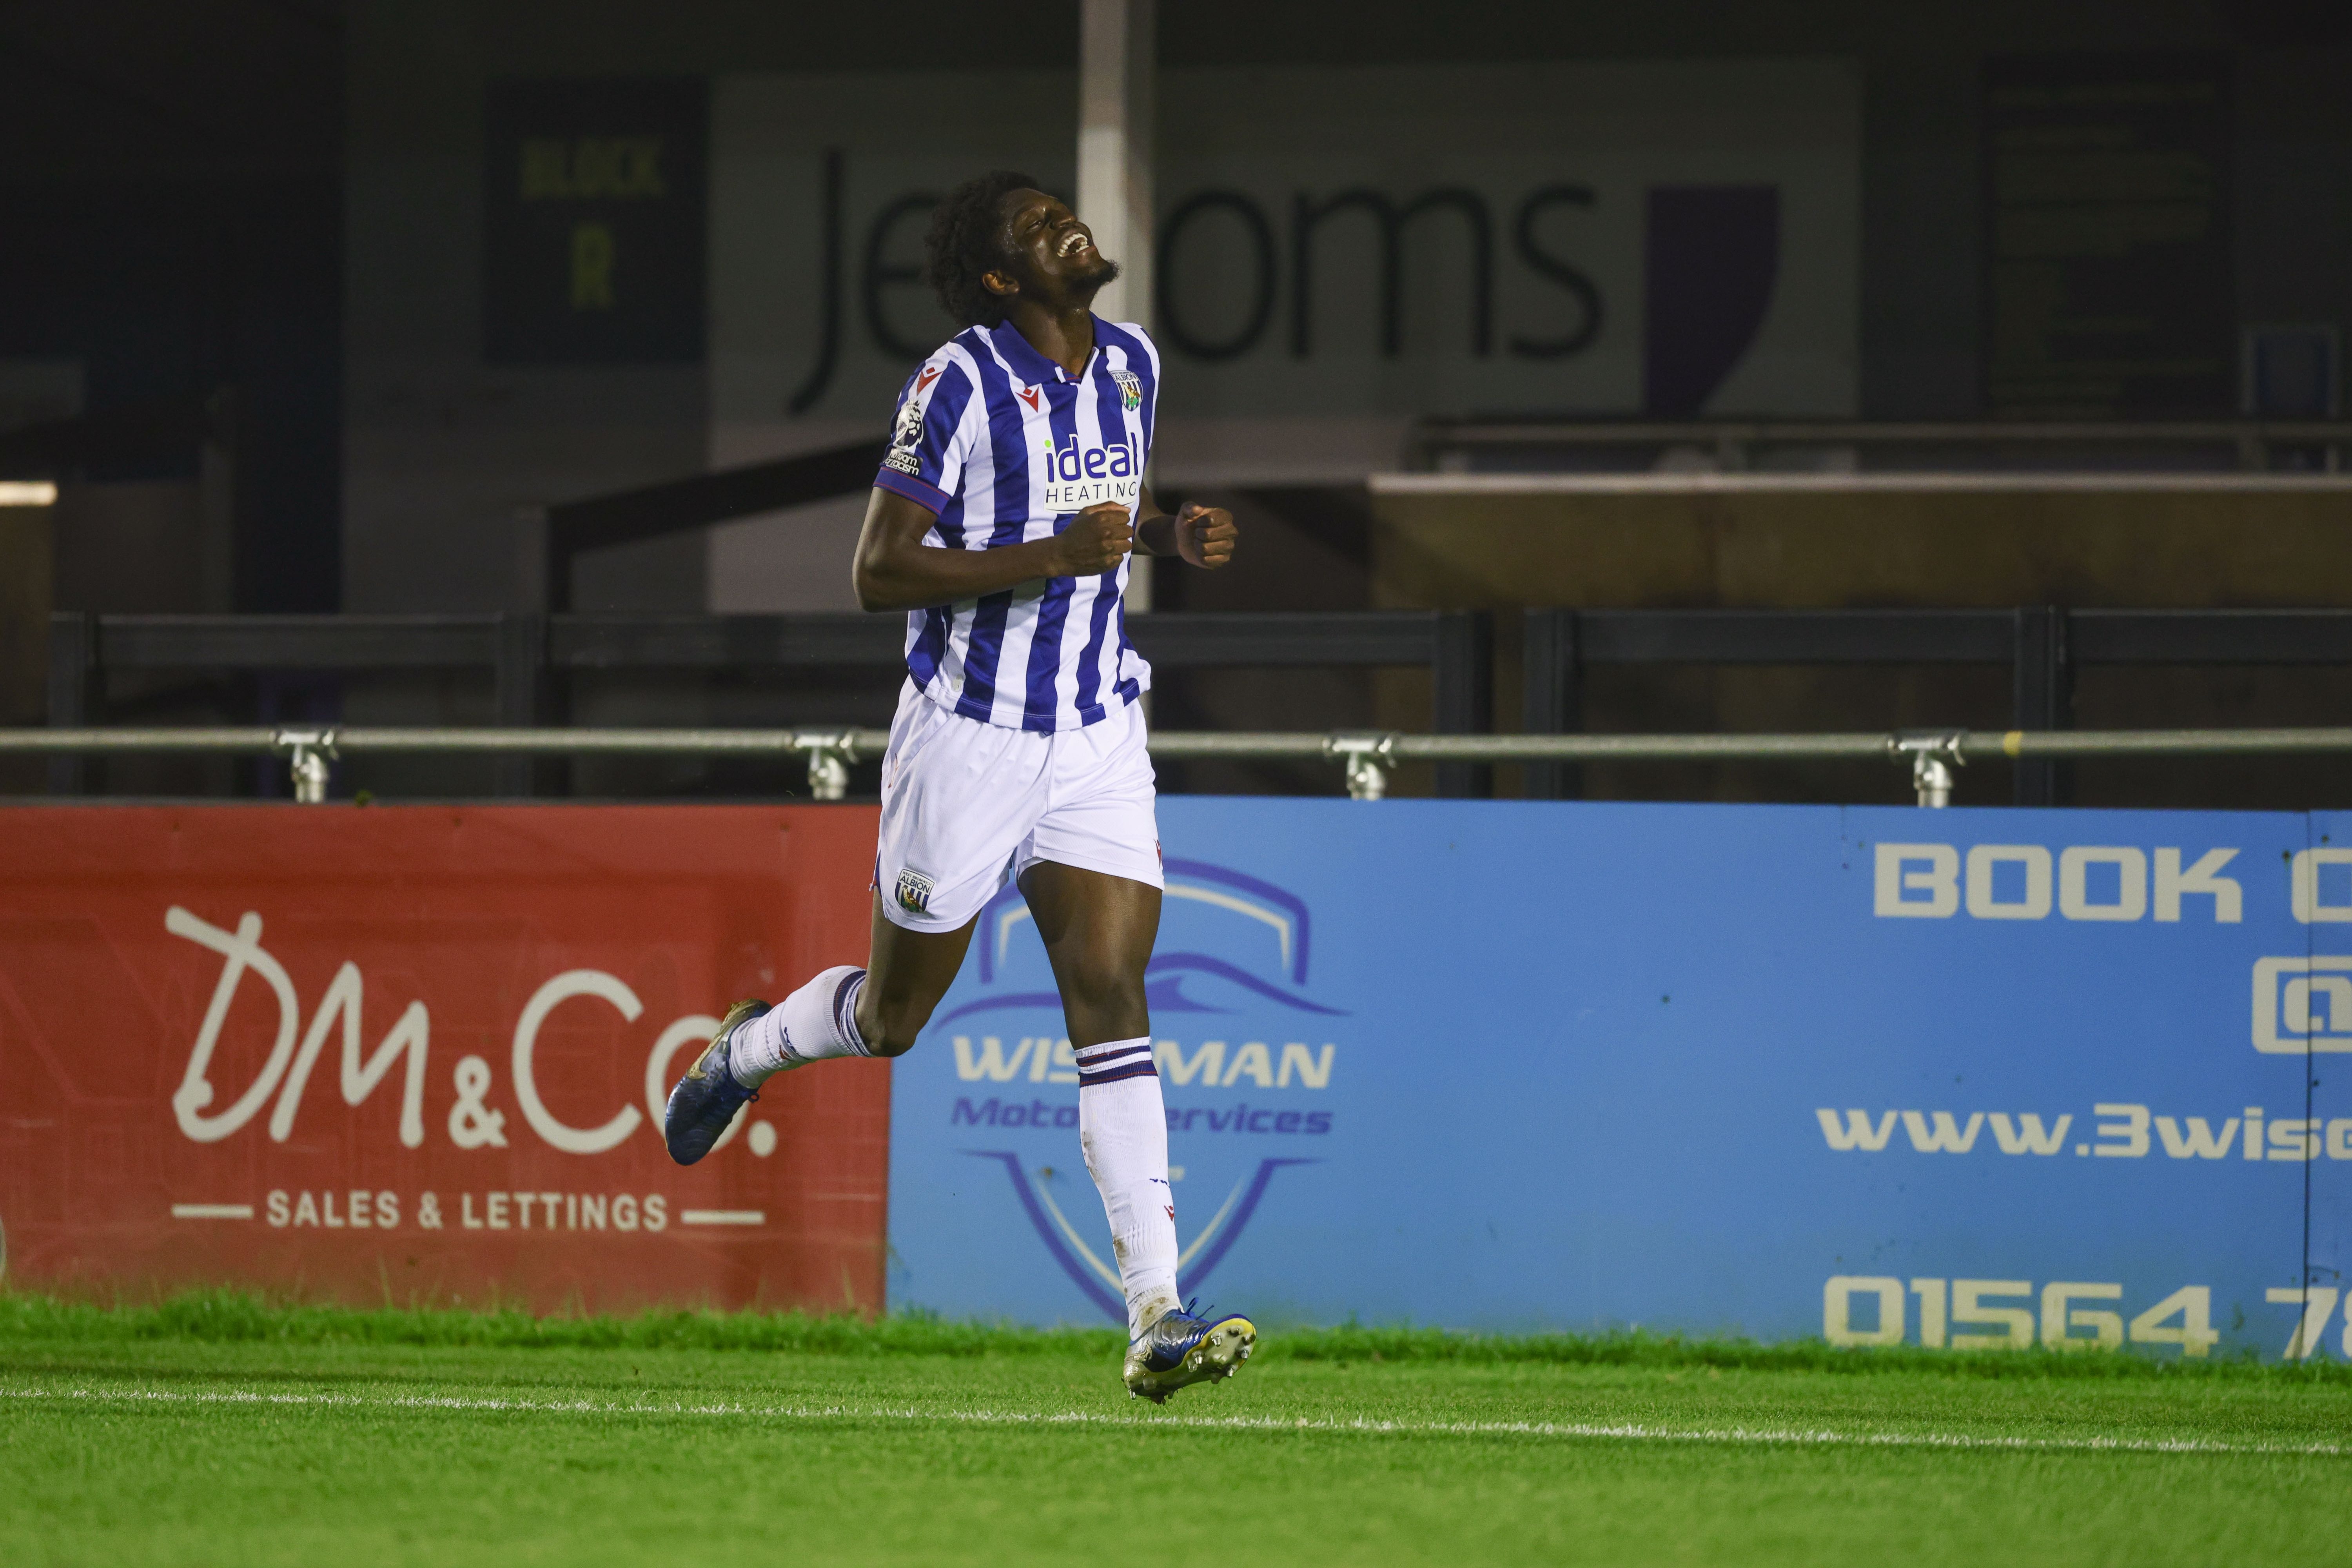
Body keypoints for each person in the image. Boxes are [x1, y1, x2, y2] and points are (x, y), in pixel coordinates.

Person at [663, 170, 1252, 1403]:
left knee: (1113, 994)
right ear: (1002, 279)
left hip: (1095, 732)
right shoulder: (959, 381)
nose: (1066, 227)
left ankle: (1155, 1313)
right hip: (969, 740)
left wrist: (1163, 533)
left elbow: (1097, 503)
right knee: (893, 1022)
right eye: (1038, 230)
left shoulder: (1136, 360)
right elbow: (880, 570)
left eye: (1060, 214)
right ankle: (751, 1050)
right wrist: (1055, 555)